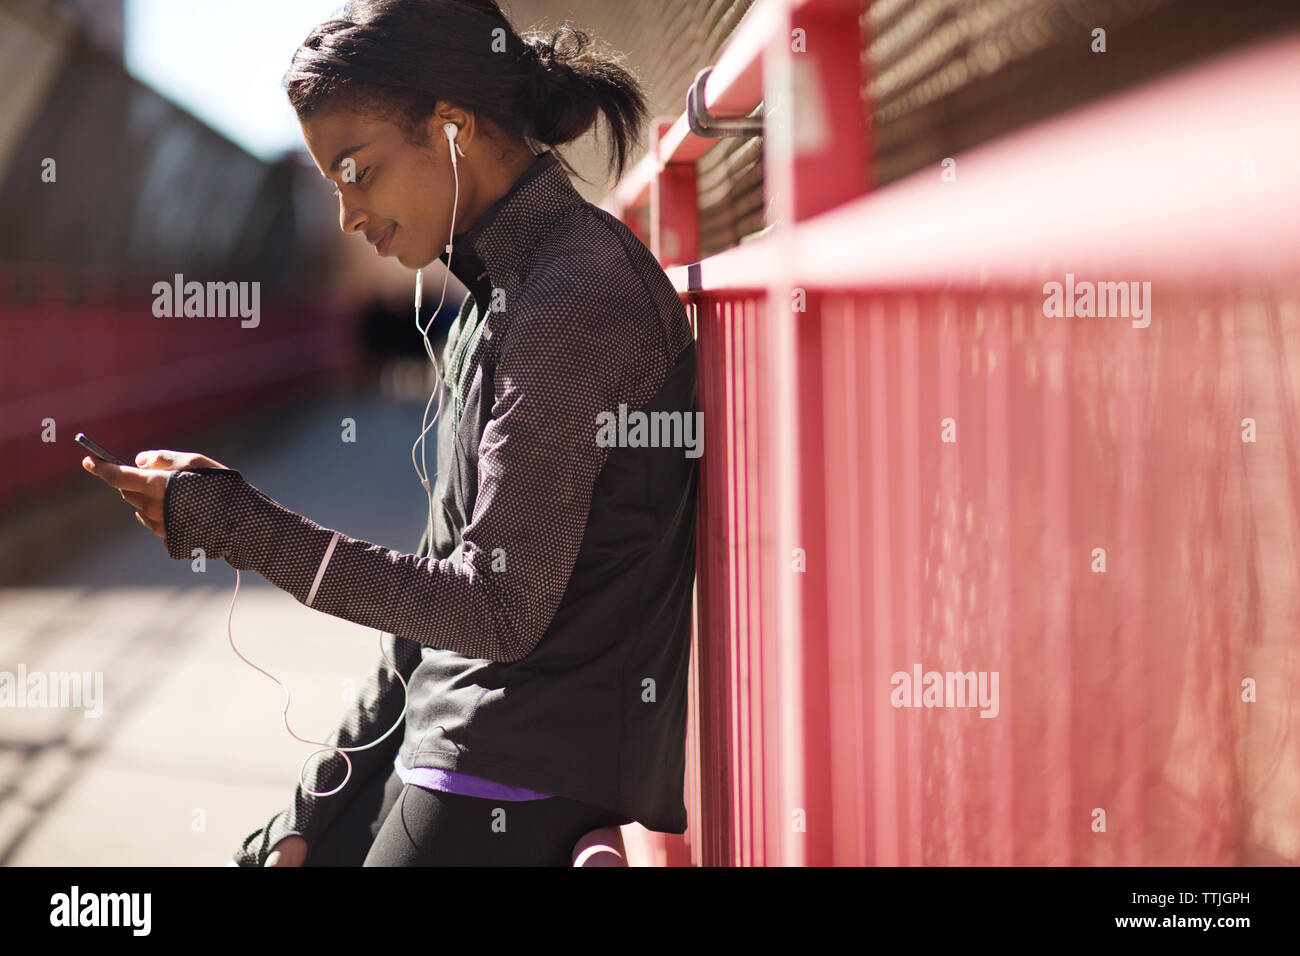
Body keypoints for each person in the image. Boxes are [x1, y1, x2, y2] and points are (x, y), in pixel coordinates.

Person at [81, 0, 699, 866]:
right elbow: (430, 611)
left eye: (357, 171)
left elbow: (495, 608)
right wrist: (315, 813)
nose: (346, 216)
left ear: (452, 127)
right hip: (454, 750)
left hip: (511, 779)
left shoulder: (575, 299)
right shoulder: (500, 299)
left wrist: (238, 526)